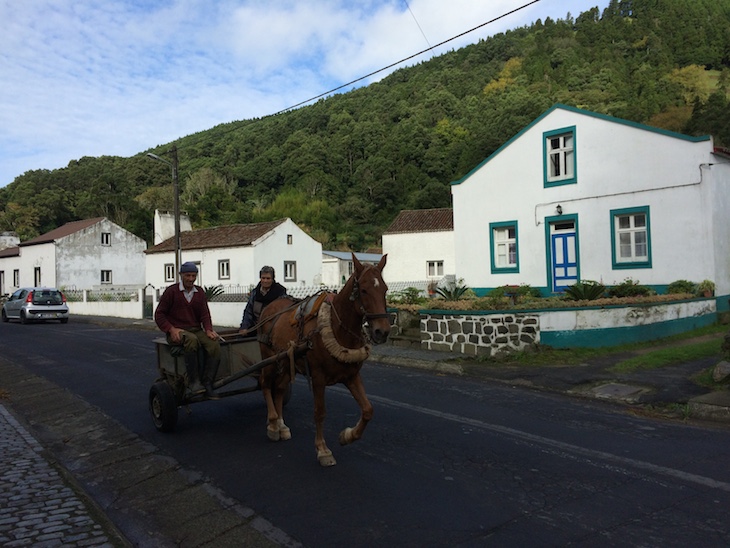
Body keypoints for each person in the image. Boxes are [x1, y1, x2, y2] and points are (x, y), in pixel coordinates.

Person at [155, 262, 221, 399]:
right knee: (191, 340)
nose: (191, 279)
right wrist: (171, 329)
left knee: (214, 345)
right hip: (177, 330)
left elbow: (205, 314)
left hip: (196, 329)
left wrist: (208, 330)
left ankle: (208, 383)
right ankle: (194, 381)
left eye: (193, 275)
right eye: (188, 275)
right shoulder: (171, 291)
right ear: (181, 275)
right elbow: (159, 314)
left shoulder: (200, 292)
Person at [239, 265, 287, 336]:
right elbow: (248, 312)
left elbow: (283, 313)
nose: (265, 281)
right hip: (256, 328)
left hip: (274, 330)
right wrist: (244, 327)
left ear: (272, 279)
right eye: (263, 278)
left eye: (268, 278)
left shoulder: (280, 292)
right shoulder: (255, 293)